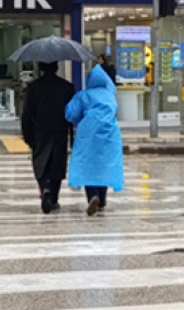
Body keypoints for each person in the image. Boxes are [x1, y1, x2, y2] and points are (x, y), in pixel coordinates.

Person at [66, 64, 124, 216]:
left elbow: (71, 114)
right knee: (103, 164)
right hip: (110, 135)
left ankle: (93, 195)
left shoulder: (83, 95)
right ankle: (102, 198)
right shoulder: (110, 96)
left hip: (87, 134)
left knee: (87, 164)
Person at [21, 62, 75, 214]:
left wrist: (27, 135)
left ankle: (44, 188)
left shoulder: (34, 87)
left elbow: (27, 113)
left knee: (40, 162)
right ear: (57, 68)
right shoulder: (66, 87)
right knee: (57, 164)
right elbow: (71, 113)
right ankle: (54, 198)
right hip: (60, 130)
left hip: (40, 130)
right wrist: (72, 136)